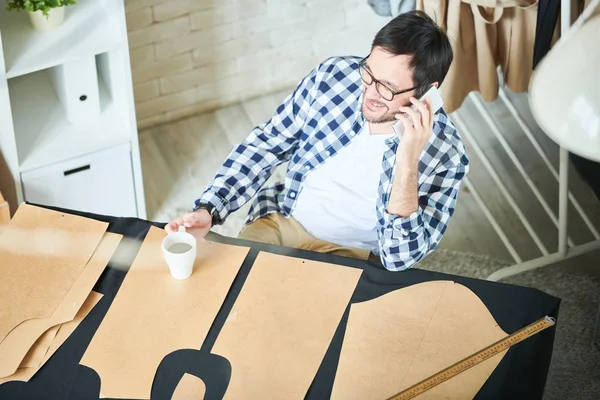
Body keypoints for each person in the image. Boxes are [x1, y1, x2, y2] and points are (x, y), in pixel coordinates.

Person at [166, 10, 469, 272]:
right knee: (225, 287)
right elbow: (268, 143)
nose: (371, 93)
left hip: (356, 255)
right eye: (369, 73)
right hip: (285, 224)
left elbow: (400, 258)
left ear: (426, 90)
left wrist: (408, 160)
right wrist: (209, 208)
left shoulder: (447, 154)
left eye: (388, 87)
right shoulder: (333, 77)